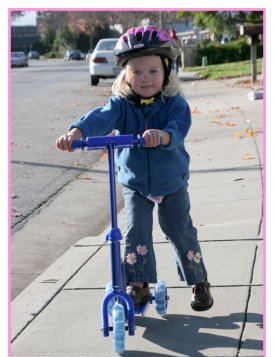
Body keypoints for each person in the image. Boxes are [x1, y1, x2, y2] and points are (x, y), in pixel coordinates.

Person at [56, 25, 213, 312]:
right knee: (136, 231)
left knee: (180, 231)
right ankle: (138, 286)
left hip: (171, 182)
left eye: (153, 71)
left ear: (166, 70)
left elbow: (178, 128)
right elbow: (100, 118)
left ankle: (199, 281)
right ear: (126, 75)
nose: (145, 78)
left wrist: (162, 136)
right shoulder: (122, 105)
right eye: (137, 72)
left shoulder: (174, 104)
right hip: (136, 183)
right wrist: (77, 133)